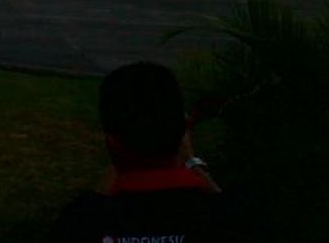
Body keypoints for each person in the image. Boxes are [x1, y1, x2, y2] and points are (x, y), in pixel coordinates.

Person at [51, 61, 247, 242]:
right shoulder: (220, 218)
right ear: (181, 136)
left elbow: (94, 205)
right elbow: (227, 212)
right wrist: (190, 161)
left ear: (112, 142)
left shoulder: (83, 221)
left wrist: (123, 153)